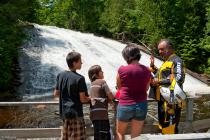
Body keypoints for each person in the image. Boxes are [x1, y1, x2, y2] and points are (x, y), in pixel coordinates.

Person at [116, 44, 151, 140]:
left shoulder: (122, 69)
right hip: (141, 105)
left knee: (120, 133)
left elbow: (119, 87)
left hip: (125, 105)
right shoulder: (147, 70)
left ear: (126, 56)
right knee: (136, 136)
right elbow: (146, 88)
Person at [150, 39, 185, 134]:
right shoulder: (166, 62)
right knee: (163, 127)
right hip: (163, 100)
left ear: (169, 48)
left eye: (162, 49)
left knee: (170, 128)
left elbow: (179, 78)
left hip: (171, 102)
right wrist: (153, 68)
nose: (160, 52)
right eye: (159, 49)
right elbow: (162, 76)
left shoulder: (176, 60)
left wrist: (158, 82)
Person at [53, 51, 90, 140]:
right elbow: (83, 99)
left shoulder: (60, 75)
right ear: (74, 63)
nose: (82, 63)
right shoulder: (80, 78)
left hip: (64, 113)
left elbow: (56, 94)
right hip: (76, 114)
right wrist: (90, 99)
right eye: (80, 61)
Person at [88, 65, 114, 140]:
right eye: (101, 71)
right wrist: (113, 99)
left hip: (93, 115)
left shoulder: (92, 84)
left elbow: (99, 96)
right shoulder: (102, 82)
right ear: (96, 74)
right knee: (105, 135)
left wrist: (108, 100)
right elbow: (109, 94)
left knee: (98, 136)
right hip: (101, 115)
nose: (103, 72)